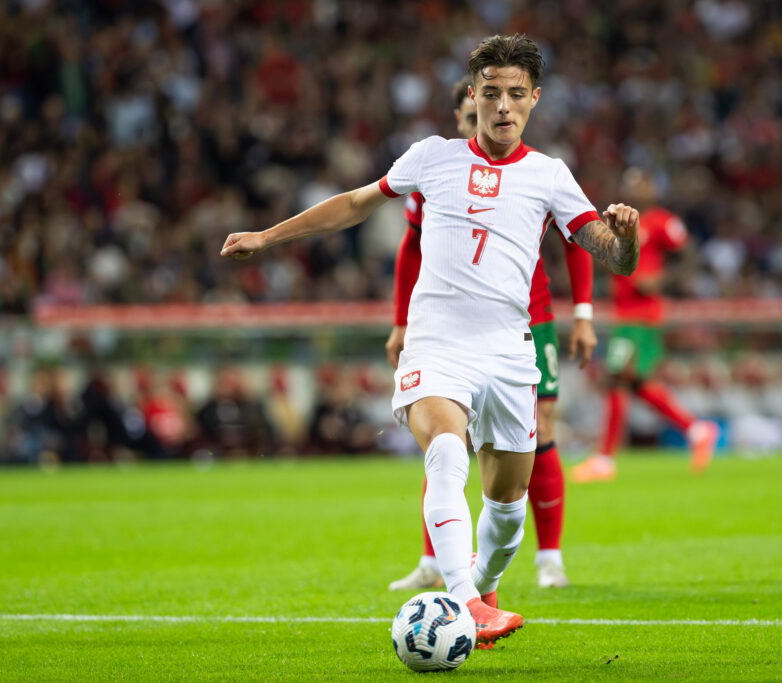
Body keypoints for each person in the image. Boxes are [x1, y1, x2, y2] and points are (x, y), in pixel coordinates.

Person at [220, 34, 640, 647]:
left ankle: (486, 585)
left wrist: (626, 238)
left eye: (515, 95)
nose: (502, 107)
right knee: (445, 450)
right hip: (437, 346)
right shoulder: (433, 157)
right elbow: (355, 204)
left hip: (508, 355)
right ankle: (464, 601)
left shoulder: (550, 176)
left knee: (507, 504)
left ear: (534, 100)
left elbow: (612, 257)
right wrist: (267, 235)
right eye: (490, 93)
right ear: (472, 95)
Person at [386, 77, 596, 593]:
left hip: (528, 321)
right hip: (447, 333)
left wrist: (584, 312)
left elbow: (578, 240)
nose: (472, 124)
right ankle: (445, 568)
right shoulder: (438, 170)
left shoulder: (541, 173)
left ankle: (548, 556)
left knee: (537, 433)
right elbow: (410, 249)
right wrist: (401, 320)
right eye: (466, 115)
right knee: (445, 438)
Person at [571, 168, 719, 483]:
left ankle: (604, 461)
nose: (635, 188)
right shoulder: (620, 220)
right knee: (634, 383)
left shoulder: (663, 221)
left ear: (653, 189)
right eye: (630, 183)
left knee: (614, 379)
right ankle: (696, 429)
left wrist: (663, 280)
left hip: (642, 316)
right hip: (625, 313)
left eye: (642, 183)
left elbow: (689, 254)